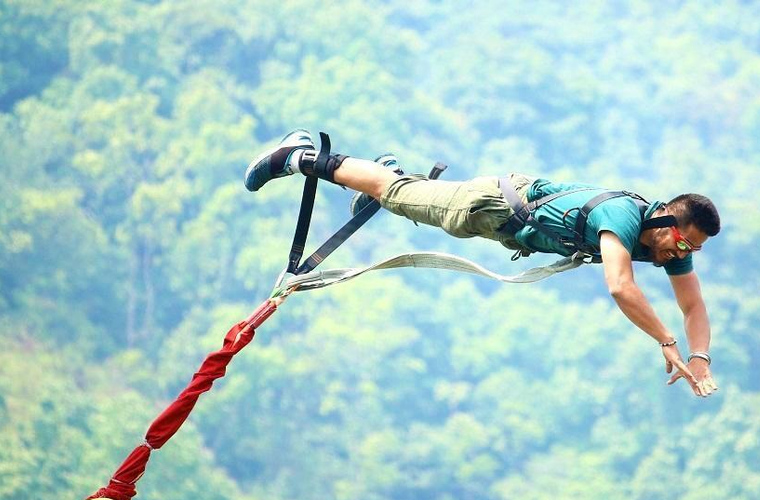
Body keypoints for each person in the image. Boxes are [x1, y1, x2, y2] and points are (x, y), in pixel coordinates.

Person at [244, 129, 721, 398]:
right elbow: (620, 286)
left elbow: (694, 307)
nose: (681, 257)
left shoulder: (663, 243)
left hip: (503, 220)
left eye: (691, 252)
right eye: (682, 245)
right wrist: (666, 342)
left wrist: (699, 358)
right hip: (489, 206)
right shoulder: (622, 216)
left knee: (401, 195)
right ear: (663, 220)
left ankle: (381, 170)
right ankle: (299, 155)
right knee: (395, 194)